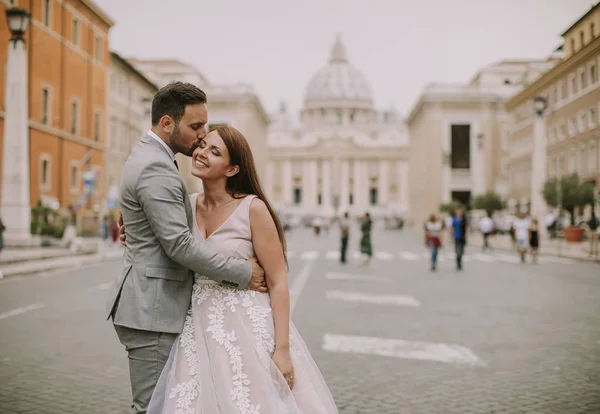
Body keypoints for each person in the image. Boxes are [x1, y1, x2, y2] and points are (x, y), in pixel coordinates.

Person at [146, 125, 338, 413]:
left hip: (248, 328)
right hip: (196, 328)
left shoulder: (253, 209)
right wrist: (128, 231)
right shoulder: (185, 205)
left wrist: (282, 349)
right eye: (202, 145)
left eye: (215, 151)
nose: (201, 153)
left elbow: (278, 282)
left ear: (233, 169)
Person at [107, 82, 267, 414]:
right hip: (153, 310)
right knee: (154, 406)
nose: (201, 136)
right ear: (167, 123)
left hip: (156, 306)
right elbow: (179, 245)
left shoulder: (153, 157)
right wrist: (244, 273)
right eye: (195, 126)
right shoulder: (156, 166)